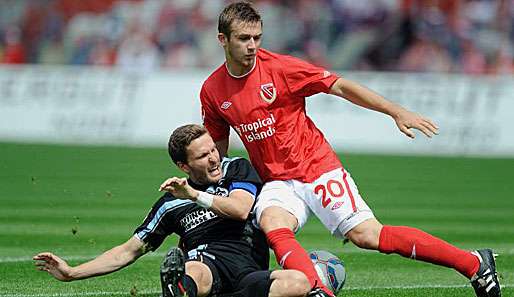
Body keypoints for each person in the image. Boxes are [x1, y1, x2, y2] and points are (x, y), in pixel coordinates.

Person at [199, 2, 501, 297]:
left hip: (316, 167)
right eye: (243, 39)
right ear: (222, 39)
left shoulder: (281, 68)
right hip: (278, 180)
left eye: (257, 37)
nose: (252, 46)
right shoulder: (213, 90)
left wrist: (395, 111)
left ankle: (474, 263)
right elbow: (218, 147)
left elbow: (340, 86)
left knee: (368, 236)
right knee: (272, 222)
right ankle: (315, 289)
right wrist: (210, 180)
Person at [33, 124, 312, 297]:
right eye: (203, 156)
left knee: (298, 283)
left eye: (212, 150)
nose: (214, 158)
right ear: (184, 166)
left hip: (248, 273)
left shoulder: (235, 168)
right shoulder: (170, 204)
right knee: (192, 272)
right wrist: (72, 273)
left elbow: (240, 210)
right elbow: (128, 250)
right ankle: (178, 290)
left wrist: (193, 194)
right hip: (207, 265)